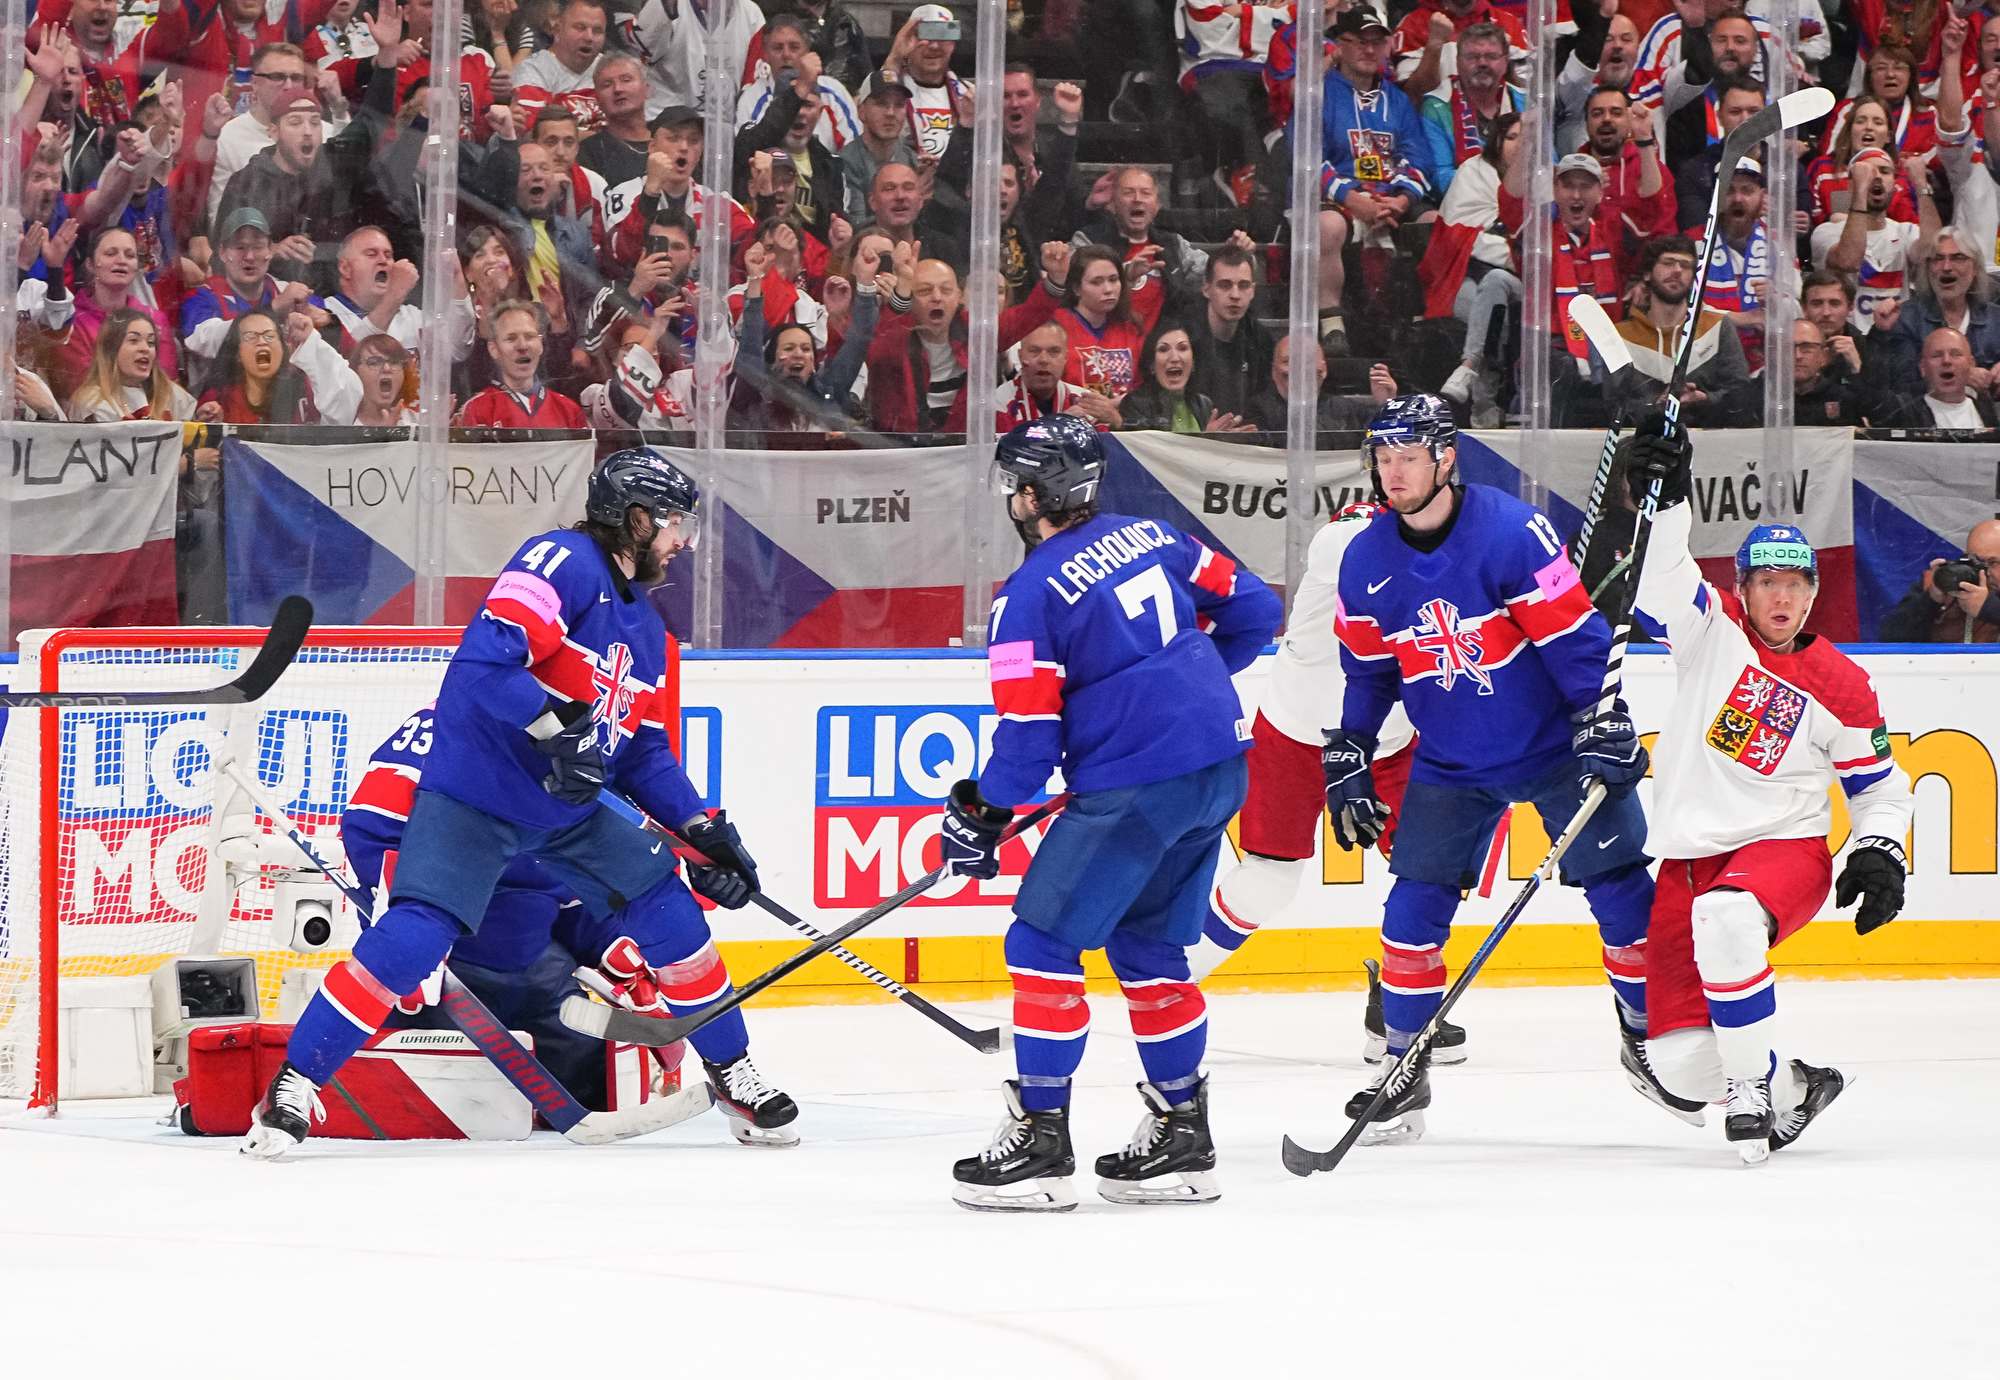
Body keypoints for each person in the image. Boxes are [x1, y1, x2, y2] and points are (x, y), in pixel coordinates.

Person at [244, 450, 794, 1158]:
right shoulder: (561, 560)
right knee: (415, 936)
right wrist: (554, 728)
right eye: (673, 524)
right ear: (635, 519)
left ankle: (732, 1073)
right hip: (477, 795)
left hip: (568, 813)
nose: (682, 542)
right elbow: (482, 665)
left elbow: (642, 755)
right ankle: (294, 1085)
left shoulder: (649, 638)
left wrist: (702, 829)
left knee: (668, 911)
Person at [1325, 394, 1697, 1141]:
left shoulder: (1511, 531)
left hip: (1555, 749)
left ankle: (1649, 1039)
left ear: (1445, 458)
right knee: (1409, 915)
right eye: (1384, 458)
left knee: (1625, 895)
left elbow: (1575, 640)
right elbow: (1369, 673)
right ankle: (1403, 1068)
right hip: (1451, 762)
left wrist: (1603, 715)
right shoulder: (1363, 560)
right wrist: (1350, 749)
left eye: (1408, 458)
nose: (1393, 473)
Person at [943, 415, 1282, 1211]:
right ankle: (1182, 1137)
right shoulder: (1157, 537)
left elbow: (1028, 743)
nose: (1010, 500)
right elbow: (1257, 609)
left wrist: (983, 810)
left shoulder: (1025, 598)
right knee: (1149, 948)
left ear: (1034, 496)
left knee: (1040, 944)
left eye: (1014, 487)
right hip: (1217, 767)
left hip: (1140, 786)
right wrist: (1178, 690)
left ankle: (1041, 1143)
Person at [1622, 422, 1913, 1162]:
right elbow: (1660, 575)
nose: (1783, 597)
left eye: (1796, 584)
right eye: (1767, 582)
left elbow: (1880, 789)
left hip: (1782, 849)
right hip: (1688, 862)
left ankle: (1751, 1087)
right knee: (1679, 1065)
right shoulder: (1708, 631)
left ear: (1812, 592)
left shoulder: (1842, 684)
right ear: (1743, 588)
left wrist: (1880, 848)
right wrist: (1668, 499)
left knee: (1726, 916)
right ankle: (1794, 1087)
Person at [456, 300, 591, 427]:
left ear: (540, 345)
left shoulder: (569, 410)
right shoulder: (477, 409)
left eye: (529, 337)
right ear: (494, 349)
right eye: (511, 338)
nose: (522, 346)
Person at [65, 306, 198, 421]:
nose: (145, 348)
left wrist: (202, 418)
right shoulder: (92, 402)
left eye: (151, 342)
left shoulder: (173, 395)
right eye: (134, 340)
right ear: (111, 349)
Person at [1117, 324, 1255, 434]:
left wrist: (1227, 443)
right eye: (1163, 350)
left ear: (1193, 362)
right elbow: (1151, 454)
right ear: (1152, 365)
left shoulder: (1203, 404)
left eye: (1182, 348)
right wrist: (1206, 441)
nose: (1174, 358)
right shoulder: (1135, 404)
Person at [1877, 520, 2000, 643]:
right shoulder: (1948, 580)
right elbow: (1890, 638)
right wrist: (1931, 599)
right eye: (1975, 561)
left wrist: (1988, 608)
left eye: (1993, 562)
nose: (1984, 571)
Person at [1873, 326, 2000, 428]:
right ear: (1922, 368)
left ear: (1971, 364)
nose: (1946, 361)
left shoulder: (1989, 412)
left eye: (1955, 354)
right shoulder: (1905, 413)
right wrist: (1878, 333)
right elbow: (1871, 398)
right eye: (1936, 355)